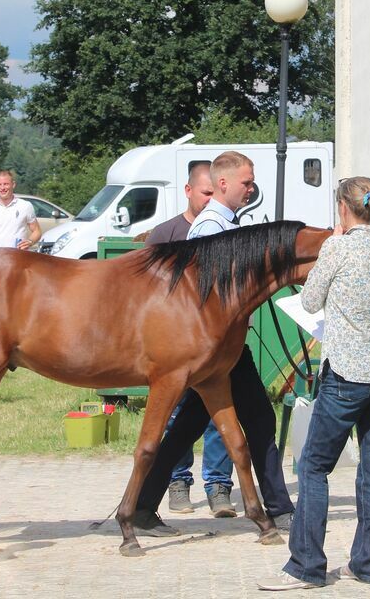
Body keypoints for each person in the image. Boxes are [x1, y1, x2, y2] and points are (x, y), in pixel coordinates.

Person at [257, 177, 370, 591]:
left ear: (344, 209)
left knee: (314, 465)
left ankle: (306, 566)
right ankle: (367, 565)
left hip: (346, 375)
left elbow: (309, 302)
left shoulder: (337, 247)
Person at [133, 151, 296, 535]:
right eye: (246, 181)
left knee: (190, 425)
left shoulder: (227, 223)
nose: (251, 187)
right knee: (258, 418)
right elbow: (212, 295)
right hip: (217, 347)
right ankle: (278, 507)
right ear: (223, 183)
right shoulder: (210, 228)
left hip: (221, 346)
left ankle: (142, 504)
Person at [142, 162, 215, 515]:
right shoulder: (165, 234)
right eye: (206, 193)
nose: (211, 199)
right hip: (171, 346)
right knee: (172, 414)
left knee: (217, 416)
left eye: (216, 192)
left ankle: (218, 485)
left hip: (208, 347)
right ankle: (178, 482)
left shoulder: (224, 230)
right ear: (189, 191)